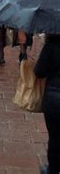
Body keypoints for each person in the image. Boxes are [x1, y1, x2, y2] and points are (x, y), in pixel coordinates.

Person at [34, 35, 60, 174]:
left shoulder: (52, 44)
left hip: (54, 99)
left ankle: (53, 170)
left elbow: (39, 72)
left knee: (55, 137)